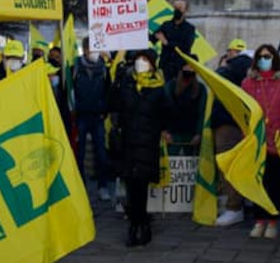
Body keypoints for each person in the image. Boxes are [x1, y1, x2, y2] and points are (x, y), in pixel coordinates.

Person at [108, 50, 171, 246]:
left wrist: (164, 130)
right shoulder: (126, 85)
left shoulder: (159, 88)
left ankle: (142, 223)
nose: (140, 63)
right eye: (137, 60)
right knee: (131, 185)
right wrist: (116, 81)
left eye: (144, 60)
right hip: (128, 142)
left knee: (141, 184)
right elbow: (113, 104)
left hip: (147, 142)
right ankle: (135, 224)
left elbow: (166, 113)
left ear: (152, 64)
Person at [242, 44, 280, 240]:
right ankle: (259, 220)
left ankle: (272, 221)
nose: (264, 60)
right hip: (257, 142)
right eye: (261, 56)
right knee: (258, 184)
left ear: (274, 58)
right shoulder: (248, 83)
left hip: (278, 142)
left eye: (268, 56)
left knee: (276, 185)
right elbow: (243, 110)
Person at [211, 39, 252, 227]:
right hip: (231, 122)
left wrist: (222, 68)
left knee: (228, 167)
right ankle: (238, 203)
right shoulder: (243, 67)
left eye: (231, 51)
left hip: (228, 124)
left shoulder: (238, 65)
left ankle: (234, 207)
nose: (228, 54)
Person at [72, 42, 112, 201]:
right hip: (81, 116)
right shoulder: (75, 68)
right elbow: (70, 89)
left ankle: (103, 186)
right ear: (85, 50)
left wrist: (104, 110)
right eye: (90, 49)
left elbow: (109, 91)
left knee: (101, 153)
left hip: (98, 117)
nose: (93, 52)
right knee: (79, 153)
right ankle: (81, 186)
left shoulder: (104, 69)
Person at [165, 62, 207, 155]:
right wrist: (165, 131)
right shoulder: (170, 86)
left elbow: (202, 112)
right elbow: (164, 109)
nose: (189, 69)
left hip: (191, 134)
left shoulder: (200, 89)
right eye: (187, 67)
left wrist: (199, 133)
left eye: (192, 67)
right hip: (173, 133)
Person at [153, 0, 196, 81]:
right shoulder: (166, 25)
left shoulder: (189, 28)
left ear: (185, 11)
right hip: (166, 65)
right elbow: (154, 37)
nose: (177, 10)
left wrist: (167, 43)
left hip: (180, 65)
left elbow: (186, 46)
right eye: (175, 8)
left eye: (180, 8)